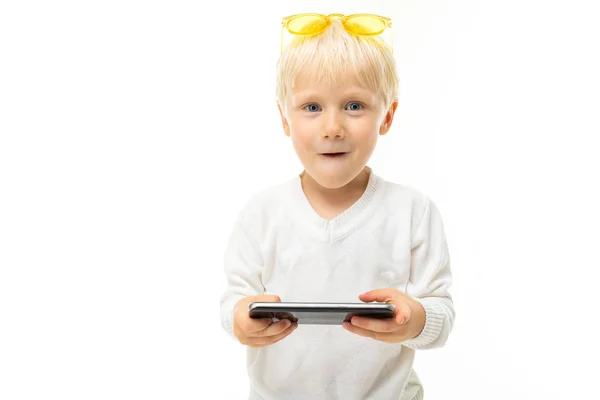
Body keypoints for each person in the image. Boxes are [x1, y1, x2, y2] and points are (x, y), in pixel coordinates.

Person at [219, 13, 455, 400]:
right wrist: (241, 320)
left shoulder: (413, 211)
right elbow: (234, 303)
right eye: (311, 107)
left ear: (388, 116)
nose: (332, 127)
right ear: (284, 119)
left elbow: (441, 315)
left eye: (354, 105)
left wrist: (416, 319)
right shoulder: (262, 214)